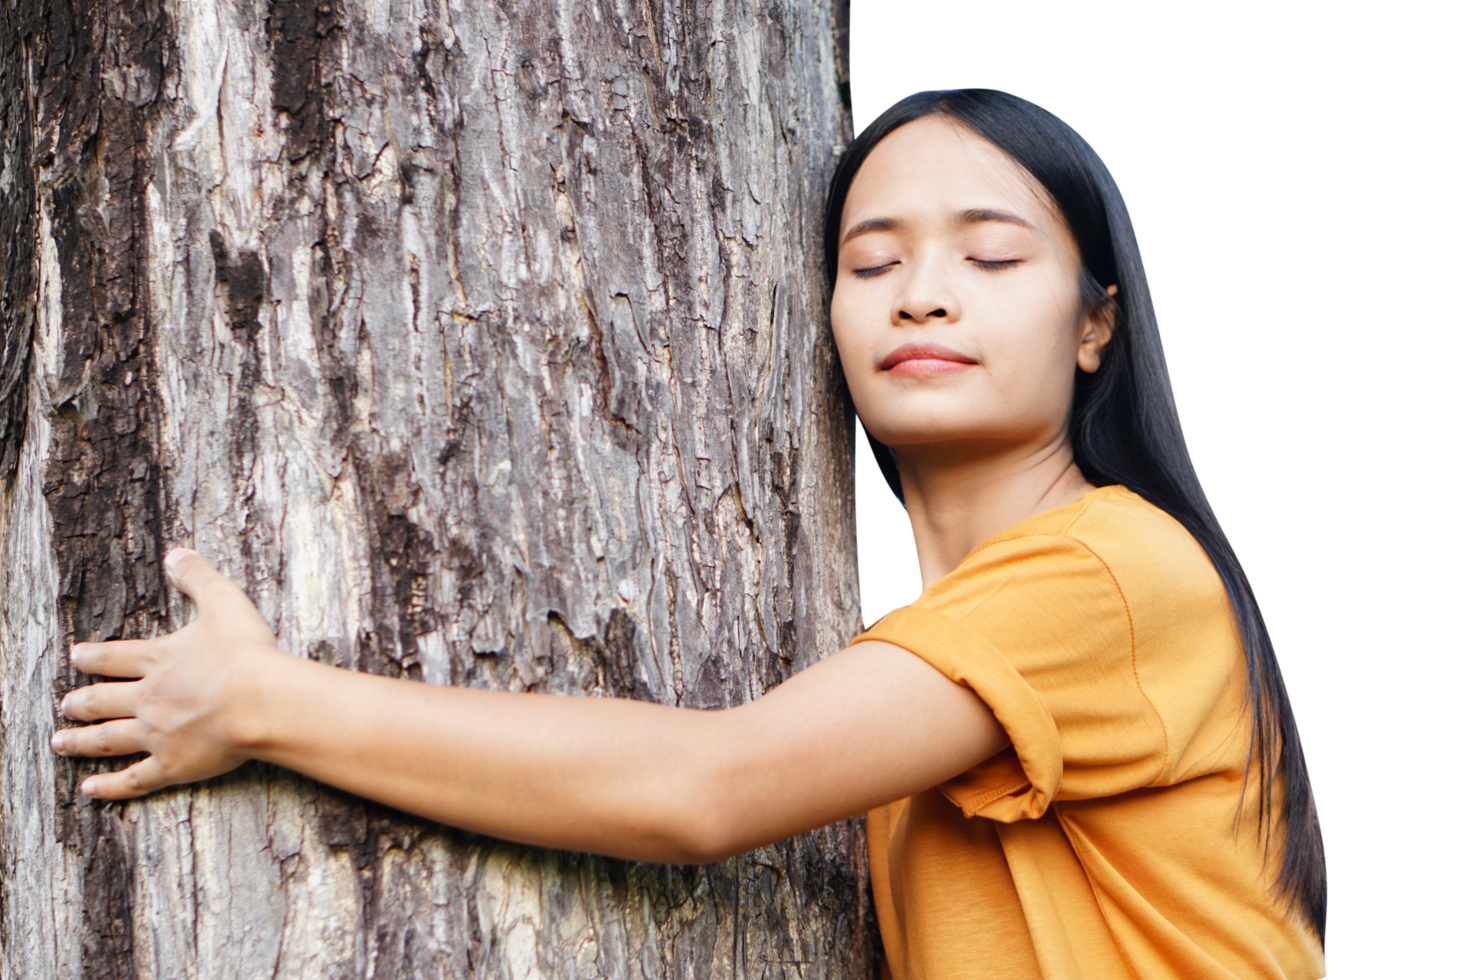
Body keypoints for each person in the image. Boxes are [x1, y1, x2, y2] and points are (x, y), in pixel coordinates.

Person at [51, 88, 1327, 978]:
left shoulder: (1116, 568)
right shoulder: (924, 652)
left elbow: (700, 788)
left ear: (1096, 322)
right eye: (871, 262)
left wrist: (258, 701)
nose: (923, 291)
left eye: (992, 257)